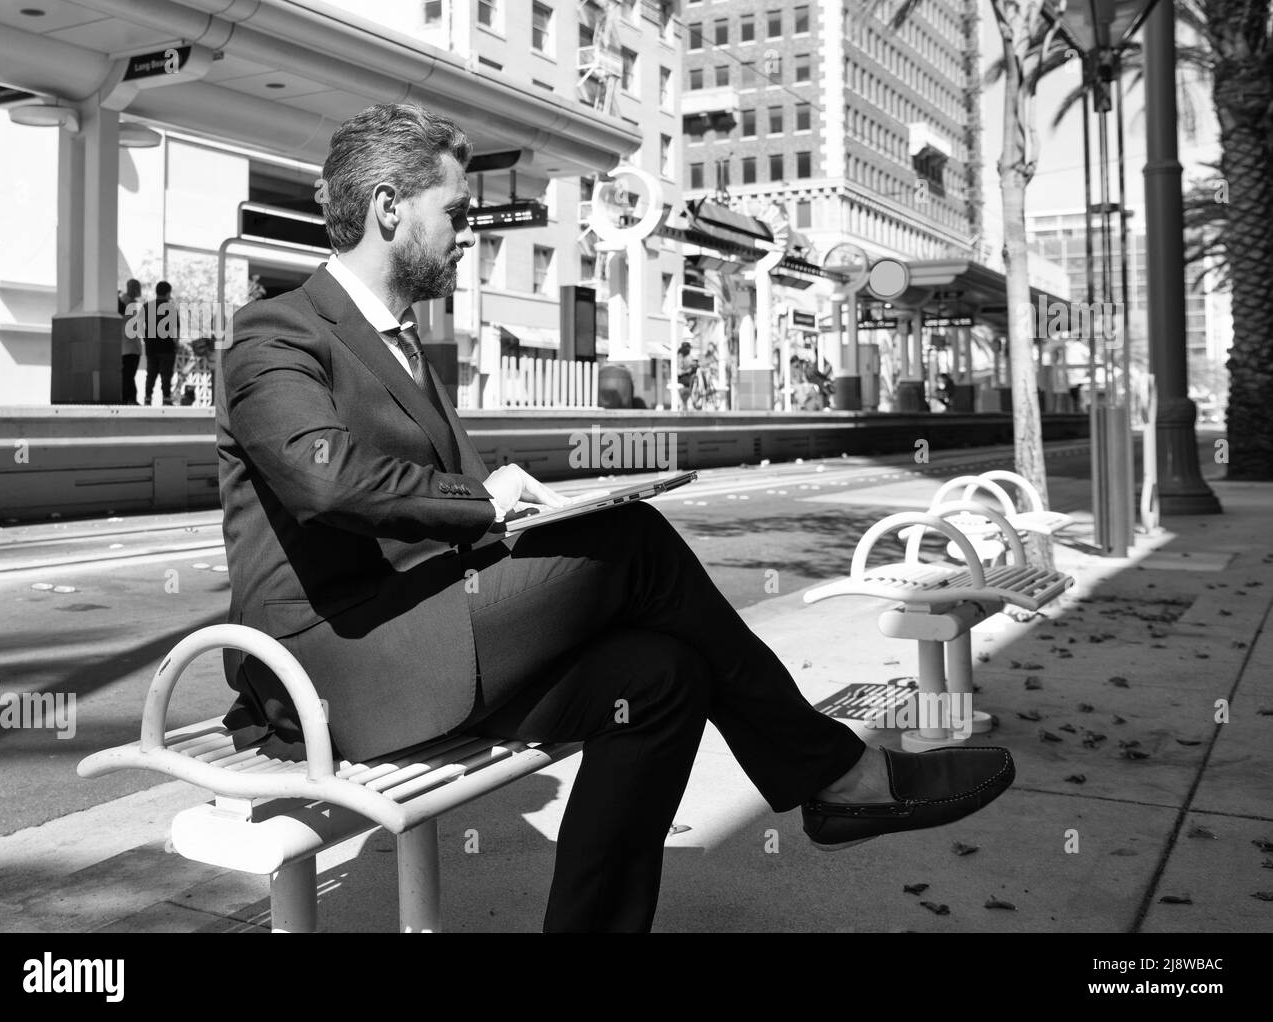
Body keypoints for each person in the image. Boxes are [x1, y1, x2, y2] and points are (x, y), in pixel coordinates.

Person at [217, 103, 1015, 933]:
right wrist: (484, 501)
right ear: (389, 207)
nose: (467, 235)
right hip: (334, 671)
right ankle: (835, 778)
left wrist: (533, 518)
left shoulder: (402, 344)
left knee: (663, 676)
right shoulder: (275, 332)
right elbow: (325, 479)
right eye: (454, 213)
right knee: (633, 544)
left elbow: (435, 511)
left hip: (418, 640)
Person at [143, 281, 179, 406]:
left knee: (151, 373)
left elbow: (141, 326)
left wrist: (146, 340)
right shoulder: (171, 308)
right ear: (168, 292)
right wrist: (176, 344)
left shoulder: (147, 307)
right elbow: (176, 329)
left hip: (151, 347)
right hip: (167, 347)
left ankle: (147, 398)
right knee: (166, 374)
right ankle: (166, 399)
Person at [118, 279, 143, 405]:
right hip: (128, 347)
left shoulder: (130, 303)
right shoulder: (124, 303)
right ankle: (129, 399)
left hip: (131, 347)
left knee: (128, 375)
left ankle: (129, 399)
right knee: (127, 375)